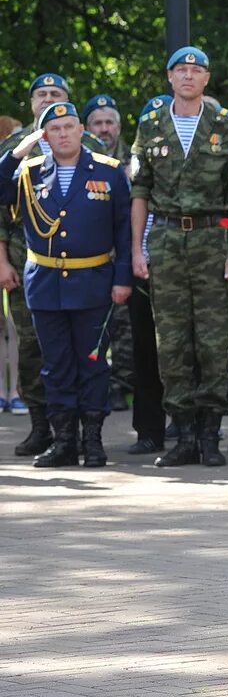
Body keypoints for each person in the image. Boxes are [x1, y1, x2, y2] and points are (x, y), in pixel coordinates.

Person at [130, 46, 228, 468]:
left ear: (206, 78)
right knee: (172, 340)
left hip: (210, 239)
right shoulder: (150, 125)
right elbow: (140, 190)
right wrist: (136, 248)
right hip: (164, 239)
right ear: (169, 77)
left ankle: (210, 434)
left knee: (214, 338)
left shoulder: (226, 124)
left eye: (196, 70)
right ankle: (182, 434)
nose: (188, 76)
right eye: (181, 70)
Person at [0, 102, 132, 468]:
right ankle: (63, 442)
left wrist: (123, 279)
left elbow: (124, 229)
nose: (63, 134)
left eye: (69, 127)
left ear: (81, 130)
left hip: (93, 281)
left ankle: (92, 439)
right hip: (45, 283)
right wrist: (19, 150)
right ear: (44, 136)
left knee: (92, 364)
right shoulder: (27, 172)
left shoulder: (108, 171)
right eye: (54, 129)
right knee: (55, 365)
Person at [125, 96, 171, 456]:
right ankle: (149, 431)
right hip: (144, 265)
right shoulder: (130, 170)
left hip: (180, 263)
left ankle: (188, 425)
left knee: (185, 347)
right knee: (145, 350)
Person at [82, 93, 134, 411]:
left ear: (118, 126)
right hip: (92, 254)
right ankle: (96, 383)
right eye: (97, 123)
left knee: (126, 324)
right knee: (93, 322)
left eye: (109, 122)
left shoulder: (136, 156)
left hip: (127, 250)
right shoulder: (80, 159)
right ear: (87, 128)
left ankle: (122, 384)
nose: (104, 129)